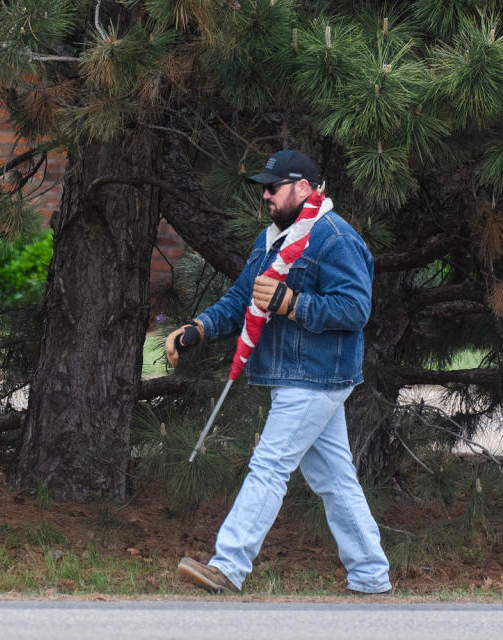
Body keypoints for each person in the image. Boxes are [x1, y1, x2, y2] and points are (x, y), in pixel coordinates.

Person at [165, 149, 392, 595]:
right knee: (334, 478)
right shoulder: (271, 239)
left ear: (304, 188)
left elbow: (355, 308)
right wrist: (199, 328)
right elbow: (243, 298)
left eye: (274, 186)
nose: (265, 194)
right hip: (296, 375)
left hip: (317, 376)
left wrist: (291, 303)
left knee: (268, 465)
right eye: (263, 187)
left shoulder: (334, 237)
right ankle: (371, 576)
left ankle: (228, 566)